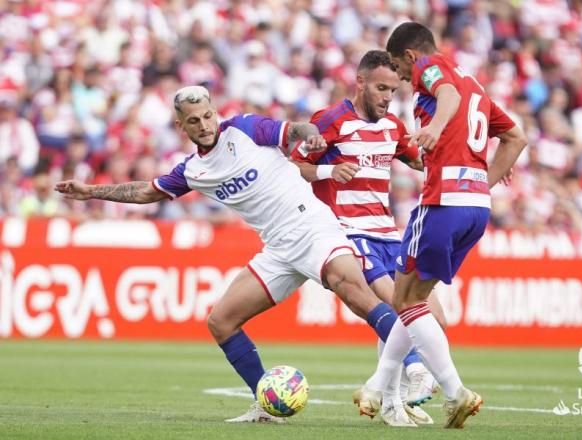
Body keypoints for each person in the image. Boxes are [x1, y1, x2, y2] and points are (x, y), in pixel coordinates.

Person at [55, 85, 407, 424]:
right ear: (181, 126)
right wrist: (92, 192)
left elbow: (294, 129)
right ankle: (265, 405)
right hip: (279, 249)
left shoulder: (245, 128)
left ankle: (420, 368)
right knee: (220, 322)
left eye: (208, 116)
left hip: (313, 226)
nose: (204, 125)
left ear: (215, 111)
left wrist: (310, 133)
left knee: (356, 294)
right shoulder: (193, 170)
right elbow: (147, 192)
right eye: (194, 121)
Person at [353, 22, 528, 429]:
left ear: (410, 57)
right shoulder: (476, 86)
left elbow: (444, 94)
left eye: (399, 68)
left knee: (406, 300)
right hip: (475, 208)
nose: (400, 77)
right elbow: (516, 138)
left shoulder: (432, 69)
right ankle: (376, 389)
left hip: (441, 202)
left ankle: (455, 392)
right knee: (408, 298)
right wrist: (482, 181)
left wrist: (433, 127)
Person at [291, 50, 450, 426]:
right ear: (360, 82)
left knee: (435, 317)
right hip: (350, 231)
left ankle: (390, 399)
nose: (386, 97)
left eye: (392, 91)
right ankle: (414, 376)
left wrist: (463, 159)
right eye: (380, 88)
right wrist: (329, 170)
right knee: (398, 305)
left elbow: (420, 161)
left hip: (388, 233)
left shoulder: (393, 127)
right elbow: (295, 166)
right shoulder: (330, 121)